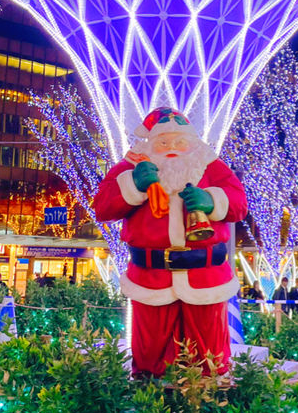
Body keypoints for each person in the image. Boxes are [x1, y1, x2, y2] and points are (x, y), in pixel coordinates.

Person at [94, 107, 247, 376]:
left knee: (209, 357)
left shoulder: (209, 165)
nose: (171, 148)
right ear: (151, 143)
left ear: (193, 142)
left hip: (206, 277)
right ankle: (153, 407)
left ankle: (207, 405)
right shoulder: (133, 165)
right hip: (150, 278)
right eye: (163, 142)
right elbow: (103, 207)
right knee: (150, 355)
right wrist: (133, 183)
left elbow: (239, 203)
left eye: (179, 142)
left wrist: (211, 200)